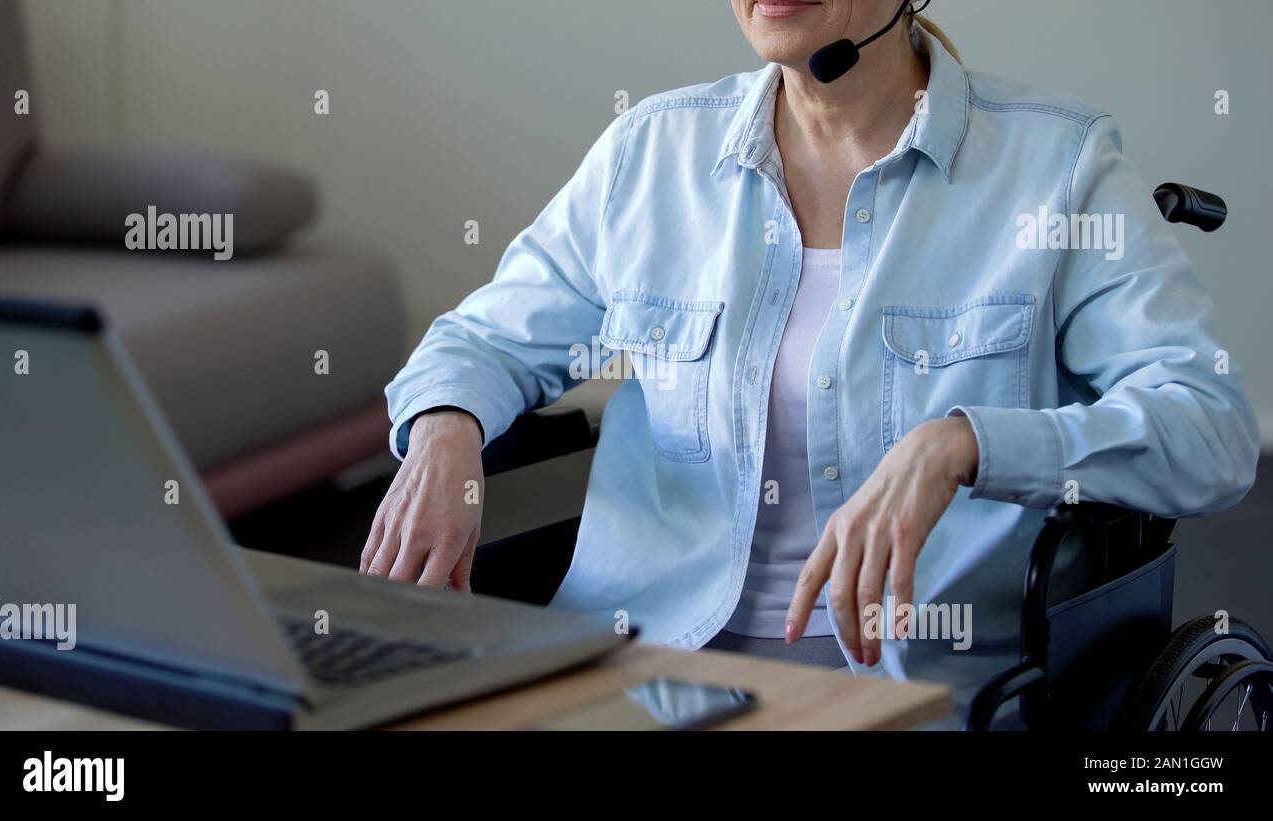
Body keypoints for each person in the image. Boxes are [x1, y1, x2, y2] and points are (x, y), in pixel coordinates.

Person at [366, 0, 1259, 715]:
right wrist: (448, 429)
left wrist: (965, 443)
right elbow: (484, 337)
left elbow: (1211, 429)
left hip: (911, 694)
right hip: (635, 681)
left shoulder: (1057, 166)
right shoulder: (653, 155)